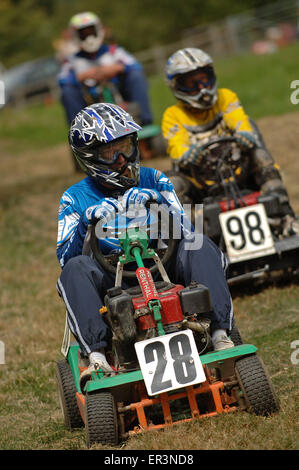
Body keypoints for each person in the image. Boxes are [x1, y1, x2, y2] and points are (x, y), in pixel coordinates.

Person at [56, 102, 235, 386]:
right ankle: (98, 358)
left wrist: (158, 203)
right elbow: (67, 261)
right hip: (111, 279)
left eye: (125, 146)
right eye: (109, 151)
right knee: (75, 270)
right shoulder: (74, 198)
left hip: (161, 264)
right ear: (90, 157)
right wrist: (84, 225)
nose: (120, 158)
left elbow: (186, 231)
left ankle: (219, 334)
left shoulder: (155, 179)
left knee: (199, 244)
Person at [162, 47, 299, 236]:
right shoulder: (172, 115)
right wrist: (186, 154)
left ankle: (285, 217)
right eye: (192, 84)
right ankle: (190, 237)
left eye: (204, 79)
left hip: (238, 172)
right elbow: (176, 145)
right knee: (169, 184)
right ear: (177, 87)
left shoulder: (226, 97)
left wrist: (245, 134)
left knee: (260, 155)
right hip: (201, 186)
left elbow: (240, 120)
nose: (201, 89)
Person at [57, 11, 153, 127]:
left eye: (91, 32)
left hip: (118, 92)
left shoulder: (114, 52)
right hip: (88, 100)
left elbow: (135, 66)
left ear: (98, 30)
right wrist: (85, 75)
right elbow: (63, 80)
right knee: (68, 92)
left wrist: (116, 68)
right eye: (84, 34)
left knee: (136, 76)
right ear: (77, 36)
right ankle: (80, 132)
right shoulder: (72, 60)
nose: (89, 37)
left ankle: (145, 121)